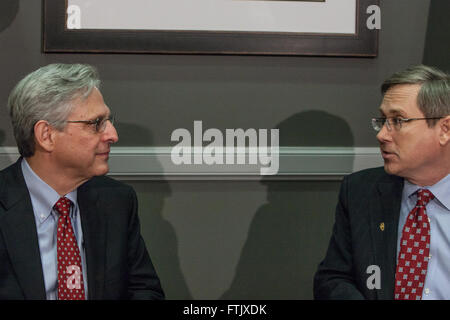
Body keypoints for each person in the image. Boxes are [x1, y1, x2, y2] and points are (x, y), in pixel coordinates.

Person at [0, 63, 164, 300]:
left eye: (108, 121)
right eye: (96, 123)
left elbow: (145, 291)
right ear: (46, 135)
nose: (112, 135)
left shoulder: (115, 201)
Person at [314, 65, 450, 300]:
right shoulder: (361, 191)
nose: (382, 135)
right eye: (382, 120)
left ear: (444, 129)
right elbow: (333, 279)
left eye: (398, 121)